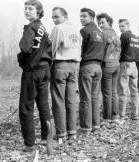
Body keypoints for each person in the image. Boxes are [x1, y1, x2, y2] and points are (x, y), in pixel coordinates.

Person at [17, 0, 52, 151]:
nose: (26, 11)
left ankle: (29, 144)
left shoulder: (31, 26)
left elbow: (25, 47)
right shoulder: (43, 27)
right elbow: (49, 48)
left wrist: (22, 61)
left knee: (26, 107)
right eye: (25, 8)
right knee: (43, 105)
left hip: (33, 71)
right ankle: (46, 138)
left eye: (30, 9)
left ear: (38, 11)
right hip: (45, 70)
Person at [50, 7, 81, 140]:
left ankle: (61, 133)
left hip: (61, 65)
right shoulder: (76, 30)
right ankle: (72, 132)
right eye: (53, 17)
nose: (54, 19)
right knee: (71, 101)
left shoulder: (58, 29)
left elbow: (52, 48)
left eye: (56, 16)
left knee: (58, 100)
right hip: (74, 66)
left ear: (65, 16)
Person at [79, 8, 106, 133]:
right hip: (98, 67)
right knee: (95, 97)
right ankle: (96, 125)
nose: (81, 18)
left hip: (87, 66)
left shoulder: (84, 31)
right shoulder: (101, 32)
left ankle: (86, 127)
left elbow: (80, 49)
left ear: (91, 17)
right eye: (80, 16)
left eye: (84, 16)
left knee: (85, 98)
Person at [96, 13, 121, 123]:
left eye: (103, 22)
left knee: (107, 93)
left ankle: (106, 117)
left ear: (109, 22)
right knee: (114, 92)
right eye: (99, 23)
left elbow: (100, 51)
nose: (100, 25)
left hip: (107, 65)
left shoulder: (103, 34)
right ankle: (115, 116)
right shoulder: (115, 34)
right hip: (116, 64)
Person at [118, 19, 139, 121]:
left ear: (128, 25)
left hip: (125, 64)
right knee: (134, 91)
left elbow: (120, 50)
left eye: (122, 26)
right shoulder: (135, 37)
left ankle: (121, 115)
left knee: (123, 91)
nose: (120, 28)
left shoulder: (124, 35)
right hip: (134, 65)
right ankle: (135, 114)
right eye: (120, 26)